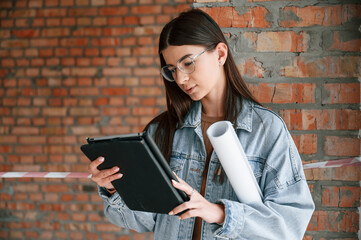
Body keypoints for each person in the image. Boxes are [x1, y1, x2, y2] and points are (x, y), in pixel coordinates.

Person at [88, 9, 315, 240]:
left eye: (187, 63)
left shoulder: (266, 130)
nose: (180, 79)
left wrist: (220, 213)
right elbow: (145, 220)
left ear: (220, 54)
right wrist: (114, 188)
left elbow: (289, 226)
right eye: (172, 70)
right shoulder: (161, 131)